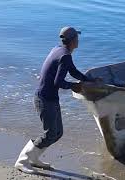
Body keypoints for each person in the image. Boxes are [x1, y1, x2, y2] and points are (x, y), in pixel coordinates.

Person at [15, 26, 93, 174]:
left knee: (58, 133)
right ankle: (22, 161)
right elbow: (58, 82)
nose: (79, 40)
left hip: (49, 98)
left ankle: (34, 158)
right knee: (50, 133)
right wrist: (73, 86)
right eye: (77, 37)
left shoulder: (59, 50)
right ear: (73, 40)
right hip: (44, 99)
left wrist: (89, 79)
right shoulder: (64, 55)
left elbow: (73, 71)